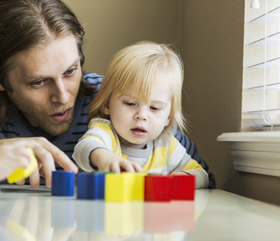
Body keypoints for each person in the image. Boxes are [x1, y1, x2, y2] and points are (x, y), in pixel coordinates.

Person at [0, 0, 215, 189]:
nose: (62, 96)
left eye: (71, 71)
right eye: (38, 82)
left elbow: (202, 178)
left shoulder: (117, 99)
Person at [73, 41, 209, 189]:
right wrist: (104, 158)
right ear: (107, 104)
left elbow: (202, 175)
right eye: (130, 104)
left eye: (154, 108)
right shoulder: (106, 132)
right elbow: (84, 148)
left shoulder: (166, 145)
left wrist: (176, 180)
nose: (141, 115)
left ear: (168, 116)